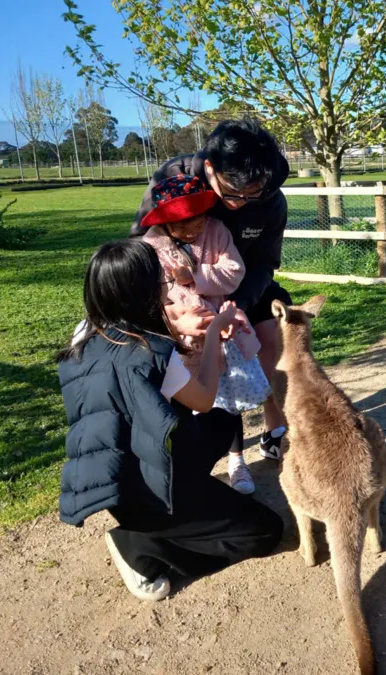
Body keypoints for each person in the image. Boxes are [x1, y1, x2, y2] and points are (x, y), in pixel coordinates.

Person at [57, 239, 284, 601]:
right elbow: (205, 398)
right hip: (153, 490)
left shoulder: (83, 336)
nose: (167, 285)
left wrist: (179, 333)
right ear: (143, 292)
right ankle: (142, 548)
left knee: (225, 422)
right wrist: (212, 335)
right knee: (265, 531)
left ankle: (186, 507)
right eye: (161, 280)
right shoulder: (150, 352)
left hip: (117, 480)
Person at [131, 118, 290, 461]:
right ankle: (196, 437)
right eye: (231, 193)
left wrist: (239, 304)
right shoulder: (173, 177)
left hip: (242, 281)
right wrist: (169, 312)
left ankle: (273, 423)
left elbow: (264, 262)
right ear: (209, 167)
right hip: (178, 292)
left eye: (254, 194)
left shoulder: (271, 199)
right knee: (187, 359)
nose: (241, 202)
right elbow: (140, 250)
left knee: (270, 340)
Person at [141, 173, 267, 495]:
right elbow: (151, 297)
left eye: (197, 224)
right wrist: (177, 321)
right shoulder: (152, 247)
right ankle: (194, 468)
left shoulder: (216, 231)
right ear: (166, 224)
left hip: (221, 334)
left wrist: (195, 275)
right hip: (181, 340)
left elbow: (233, 272)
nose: (192, 232)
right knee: (185, 403)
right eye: (183, 227)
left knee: (226, 402)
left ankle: (237, 461)